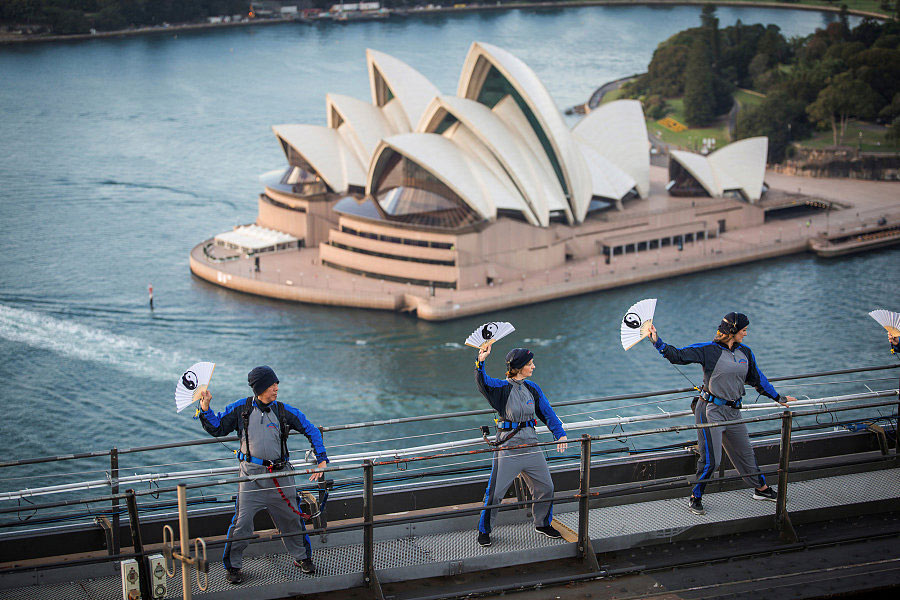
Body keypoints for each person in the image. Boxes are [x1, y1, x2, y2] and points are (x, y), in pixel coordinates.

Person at [647, 312, 797, 516]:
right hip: (710, 411)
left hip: (733, 412)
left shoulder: (746, 352)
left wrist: (778, 397)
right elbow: (679, 356)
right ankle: (695, 497)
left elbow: (757, 379)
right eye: (743, 330)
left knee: (746, 454)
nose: (746, 333)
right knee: (712, 460)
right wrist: (658, 342)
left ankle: (760, 489)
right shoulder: (708, 350)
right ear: (733, 331)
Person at [197, 366, 328, 584]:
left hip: (281, 475)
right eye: (271, 385)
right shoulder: (241, 408)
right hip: (250, 478)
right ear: (259, 388)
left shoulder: (284, 411)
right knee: (242, 523)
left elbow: (311, 429)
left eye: (276, 384)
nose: (276, 388)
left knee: (292, 519)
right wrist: (205, 407)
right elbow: (217, 427)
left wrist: (321, 459)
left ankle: (302, 557)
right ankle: (233, 567)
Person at [474, 344, 568, 547]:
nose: (533, 367)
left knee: (546, 487)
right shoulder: (501, 388)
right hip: (508, 449)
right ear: (519, 367)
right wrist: (481, 361)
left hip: (531, 447)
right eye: (530, 364)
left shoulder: (532, 388)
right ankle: (484, 531)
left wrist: (559, 434)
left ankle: (542, 524)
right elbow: (482, 383)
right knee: (495, 494)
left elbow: (547, 411)